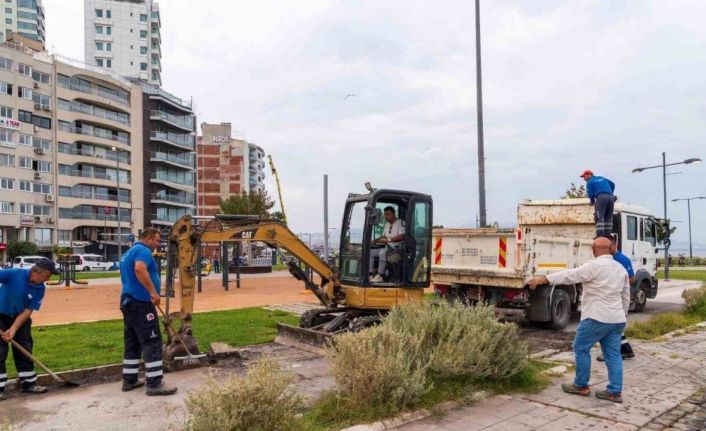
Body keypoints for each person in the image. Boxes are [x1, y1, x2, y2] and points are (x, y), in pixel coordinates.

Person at [528, 237, 630, 403]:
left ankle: (581, 385)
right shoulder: (621, 269)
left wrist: (544, 279)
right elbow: (626, 296)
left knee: (581, 348)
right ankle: (614, 392)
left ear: (593, 250)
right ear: (611, 249)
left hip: (596, 317)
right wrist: (622, 316)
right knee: (613, 355)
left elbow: (569, 275)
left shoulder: (593, 266)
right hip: (616, 319)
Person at [119, 227, 177, 396]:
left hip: (128, 302)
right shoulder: (143, 251)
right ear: (149, 238)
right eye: (157, 241)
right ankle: (154, 384)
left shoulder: (128, 252)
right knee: (152, 342)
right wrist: (153, 292)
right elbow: (139, 269)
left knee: (133, 342)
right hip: (141, 303)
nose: (158, 245)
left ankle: (129, 380)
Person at [0, 258, 58, 400]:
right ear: (38, 272)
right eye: (48, 276)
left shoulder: (40, 288)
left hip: (20, 318)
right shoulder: (14, 274)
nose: (48, 279)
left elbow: (28, 310)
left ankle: (28, 384)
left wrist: (13, 328)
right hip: (1, 315)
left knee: (25, 348)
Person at [597, 235, 635, 361]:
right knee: (615, 328)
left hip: (617, 297)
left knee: (608, 326)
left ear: (614, 245)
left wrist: (616, 286)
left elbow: (631, 278)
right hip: (608, 297)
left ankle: (612, 353)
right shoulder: (606, 259)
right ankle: (626, 350)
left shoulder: (622, 260)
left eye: (608, 246)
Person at [370, 206, 405, 283]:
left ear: (393, 214)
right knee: (371, 252)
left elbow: (402, 236)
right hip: (388, 249)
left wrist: (389, 240)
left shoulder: (401, 223)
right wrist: (374, 241)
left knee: (382, 252)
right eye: (385, 214)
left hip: (397, 249)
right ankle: (370, 274)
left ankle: (380, 275)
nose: (386, 216)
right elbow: (383, 236)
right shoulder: (387, 225)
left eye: (388, 214)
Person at [581, 170, 616, 238]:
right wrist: (610, 192)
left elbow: (590, 194)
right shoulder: (602, 178)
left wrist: (592, 202)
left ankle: (600, 234)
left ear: (589, 175)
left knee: (599, 216)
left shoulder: (590, 182)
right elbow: (613, 184)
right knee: (608, 216)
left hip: (601, 197)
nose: (584, 179)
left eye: (584, 176)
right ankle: (608, 234)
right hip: (611, 197)